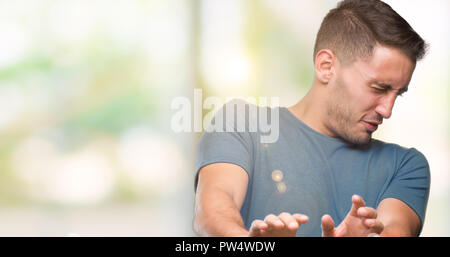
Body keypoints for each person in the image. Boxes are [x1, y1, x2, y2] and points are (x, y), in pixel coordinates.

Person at [193, 0, 430, 237]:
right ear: (326, 66)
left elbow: (395, 230)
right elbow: (213, 214)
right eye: (379, 88)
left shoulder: (405, 165)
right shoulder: (241, 124)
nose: (387, 110)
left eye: (397, 94)